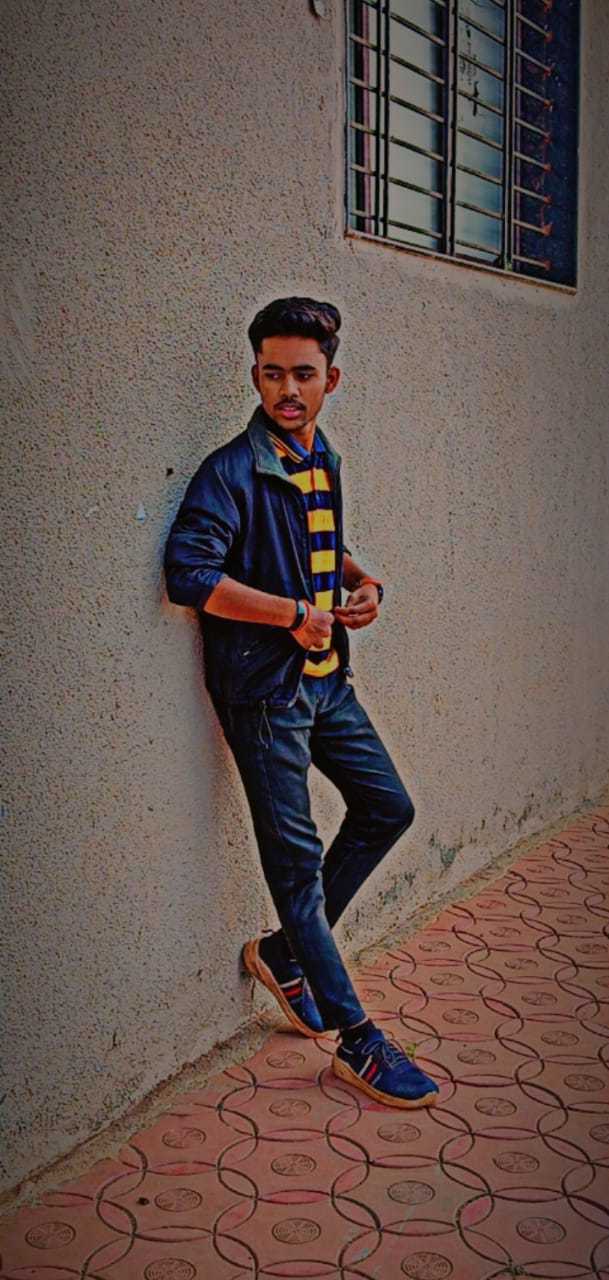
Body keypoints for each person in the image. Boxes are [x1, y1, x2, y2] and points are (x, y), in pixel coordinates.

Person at [164, 296, 438, 1109]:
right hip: (264, 693)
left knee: (387, 807)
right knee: (296, 869)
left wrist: (361, 579)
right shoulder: (229, 471)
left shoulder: (322, 459)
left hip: (324, 680)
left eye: (304, 374)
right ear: (255, 376)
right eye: (273, 373)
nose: (288, 389)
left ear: (331, 380)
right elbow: (189, 575)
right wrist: (290, 613)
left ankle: (284, 954)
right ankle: (357, 1040)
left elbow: (315, 539)